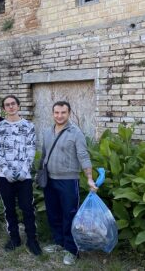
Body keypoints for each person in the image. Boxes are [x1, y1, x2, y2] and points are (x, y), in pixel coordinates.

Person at [41, 101, 97, 265]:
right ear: (53, 114)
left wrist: (89, 178)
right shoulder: (47, 131)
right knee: (53, 213)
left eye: (63, 113)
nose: (59, 116)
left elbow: (83, 156)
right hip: (50, 180)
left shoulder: (76, 132)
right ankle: (59, 242)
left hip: (68, 181)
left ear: (69, 113)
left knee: (70, 215)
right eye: (56, 112)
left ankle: (72, 249)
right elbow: (44, 154)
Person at [0, 95, 42, 255]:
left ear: (18, 106)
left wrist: (24, 170)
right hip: (4, 176)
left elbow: (31, 149)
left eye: (13, 104)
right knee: (9, 208)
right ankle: (14, 238)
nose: (11, 107)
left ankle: (32, 240)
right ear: (4, 108)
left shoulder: (28, 126)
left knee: (27, 208)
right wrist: (5, 171)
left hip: (24, 176)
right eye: (7, 105)